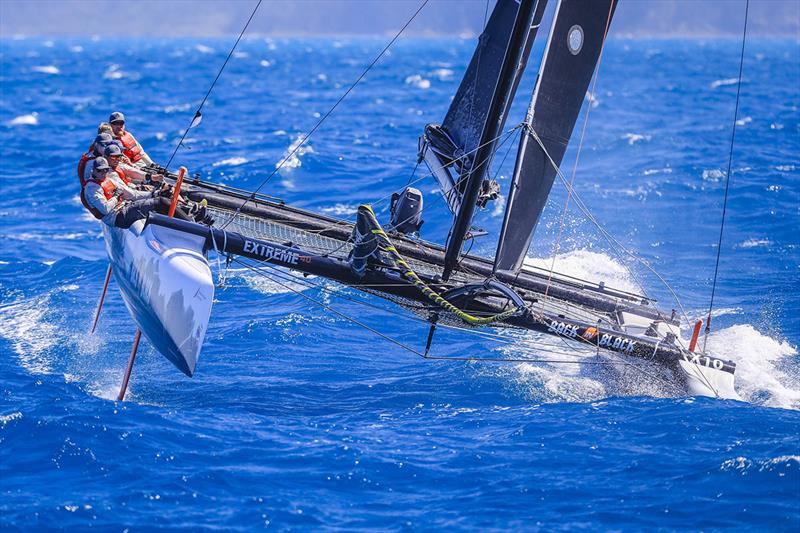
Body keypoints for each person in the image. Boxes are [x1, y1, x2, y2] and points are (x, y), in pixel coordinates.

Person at [81, 157, 212, 228]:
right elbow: (105, 209)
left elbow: (130, 195)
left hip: (124, 207)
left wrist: (155, 192)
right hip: (118, 217)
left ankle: (190, 214)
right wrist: (116, 196)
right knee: (160, 203)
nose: (103, 173)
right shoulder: (92, 189)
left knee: (162, 198)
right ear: (93, 171)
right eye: (100, 170)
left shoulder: (108, 179)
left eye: (105, 170)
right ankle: (194, 226)